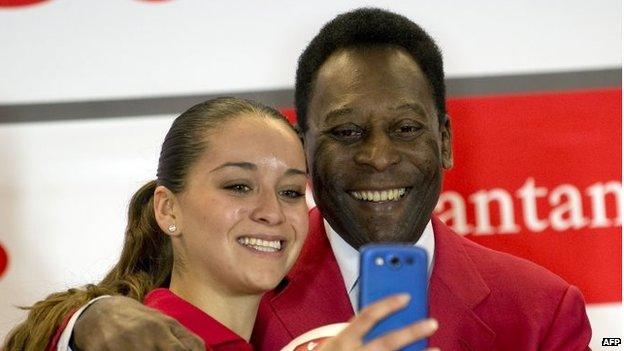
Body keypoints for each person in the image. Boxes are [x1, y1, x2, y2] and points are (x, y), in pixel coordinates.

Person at [6, 8, 592, 351]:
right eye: (346, 133)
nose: (380, 158)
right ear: (306, 146)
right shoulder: (243, 271)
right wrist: (83, 324)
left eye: (407, 129)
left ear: (446, 139)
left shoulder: (542, 309)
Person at [3, 97, 440, 351]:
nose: (272, 212)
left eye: (290, 191)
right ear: (167, 210)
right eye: (238, 186)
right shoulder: (133, 343)